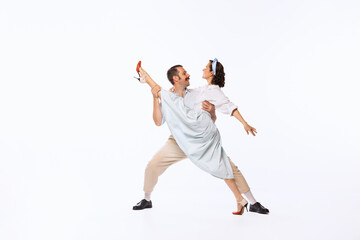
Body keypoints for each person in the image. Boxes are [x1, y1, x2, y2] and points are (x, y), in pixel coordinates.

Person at [133, 60, 269, 215]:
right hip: (179, 141)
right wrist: (154, 98)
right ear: (176, 79)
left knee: (229, 168)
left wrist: (213, 112)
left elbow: (218, 113)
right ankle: (147, 199)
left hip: (201, 142)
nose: (189, 74)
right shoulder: (170, 97)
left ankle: (253, 203)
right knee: (153, 165)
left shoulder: (198, 93)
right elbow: (158, 121)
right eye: (184, 73)